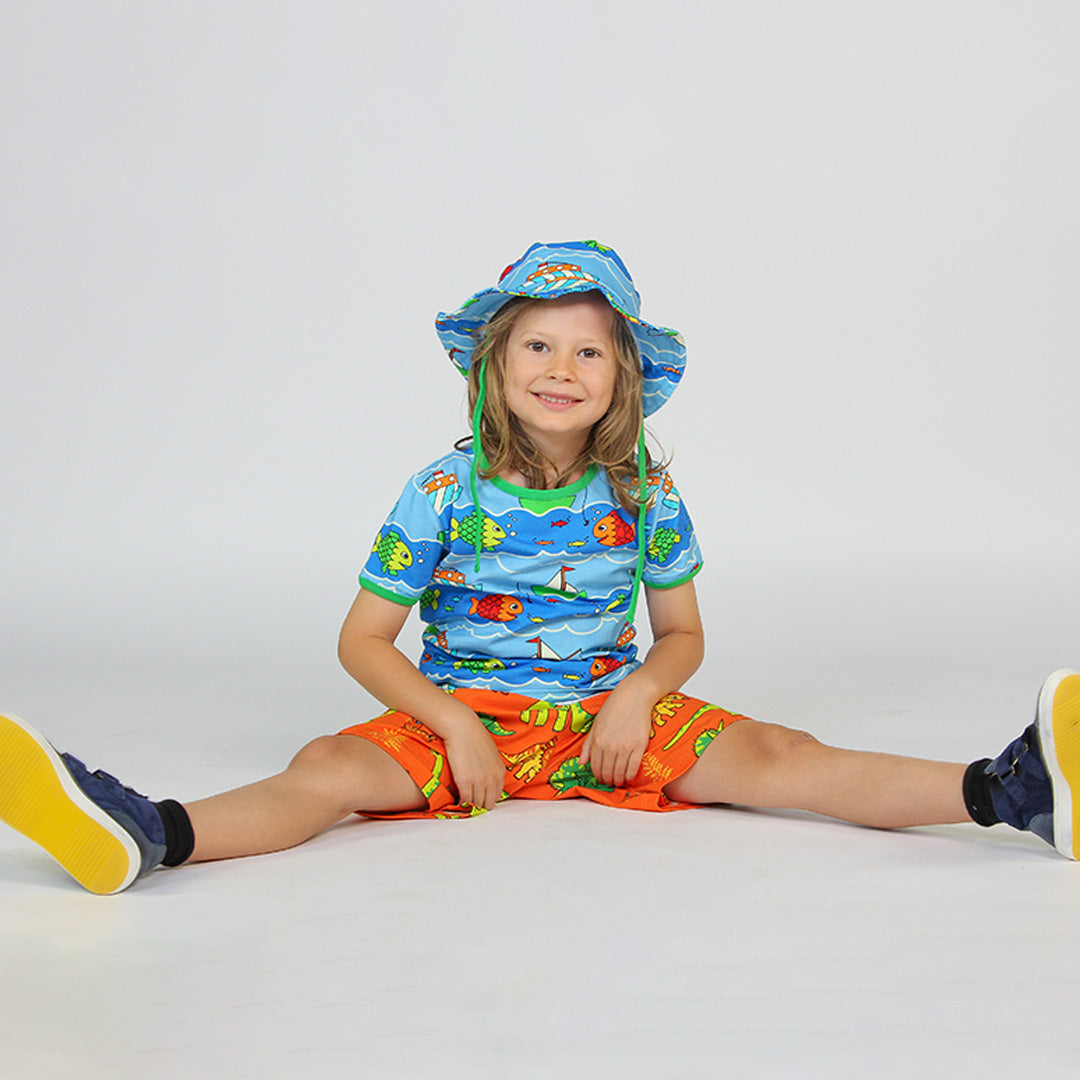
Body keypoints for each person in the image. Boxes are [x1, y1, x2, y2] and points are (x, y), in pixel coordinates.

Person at [1, 239, 1077, 895]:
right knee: (326, 768)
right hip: (463, 718)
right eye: (539, 345)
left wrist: (637, 700)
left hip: (612, 721)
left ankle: (1009, 791)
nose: (562, 367)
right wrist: (456, 724)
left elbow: (684, 635)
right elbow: (362, 642)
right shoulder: (442, 490)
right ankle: (151, 832)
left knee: (785, 755)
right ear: (495, 363)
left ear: (623, 379)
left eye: (589, 350)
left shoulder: (646, 494)